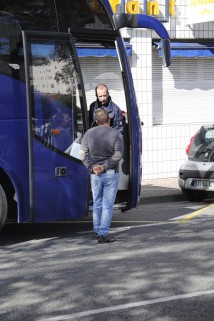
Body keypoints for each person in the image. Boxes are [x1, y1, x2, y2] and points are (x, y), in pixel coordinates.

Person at [80, 108, 124, 244]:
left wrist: (93, 167)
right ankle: (103, 234)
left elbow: (82, 154)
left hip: (95, 175)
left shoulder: (88, 134)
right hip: (111, 173)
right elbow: (118, 155)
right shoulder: (116, 134)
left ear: (97, 121)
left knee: (97, 203)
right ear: (109, 119)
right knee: (107, 205)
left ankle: (97, 230)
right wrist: (105, 166)